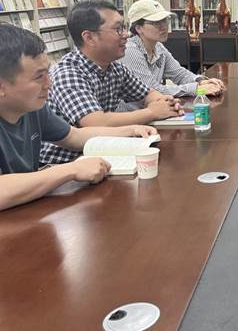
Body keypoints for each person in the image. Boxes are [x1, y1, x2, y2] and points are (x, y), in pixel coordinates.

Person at [0, 23, 157, 211]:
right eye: (39, 77)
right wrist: (71, 169)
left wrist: (130, 130)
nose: (49, 84)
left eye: (47, 72)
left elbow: (73, 136)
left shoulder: (32, 109)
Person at [40, 0, 183, 165]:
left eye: (124, 27)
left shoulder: (115, 68)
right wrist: (152, 112)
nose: (126, 35)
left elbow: (148, 93)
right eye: (118, 29)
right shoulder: (68, 73)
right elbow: (95, 122)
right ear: (89, 37)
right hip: (66, 162)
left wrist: (164, 103)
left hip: (101, 152)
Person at [118, 0, 225, 111]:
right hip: (131, 116)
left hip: (152, 111)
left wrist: (201, 81)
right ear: (138, 28)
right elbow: (152, 90)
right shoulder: (130, 50)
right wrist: (197, 88)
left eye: (165, 20)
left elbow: (179, 73)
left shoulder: (158, 47)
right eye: (156, 23)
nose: (164, 26)